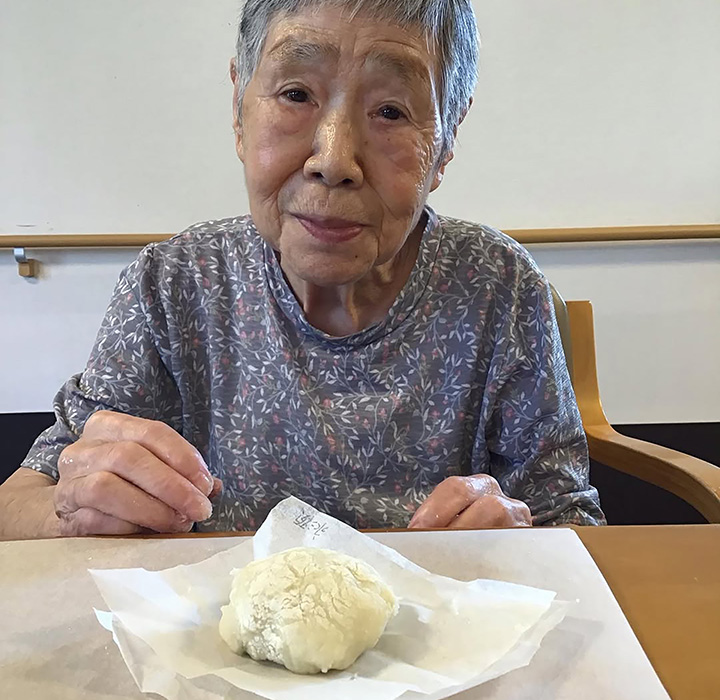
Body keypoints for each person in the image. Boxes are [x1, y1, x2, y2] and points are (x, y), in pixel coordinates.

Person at [0, 0, 603, 539]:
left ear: (445, 141)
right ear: (239, 108)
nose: (334, 161)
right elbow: (18, 502)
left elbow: (572, 518)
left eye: (390, 110)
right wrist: (68, 509)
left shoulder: (498, 285)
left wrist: (524, 540)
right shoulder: (174, 283)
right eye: (295, 94)